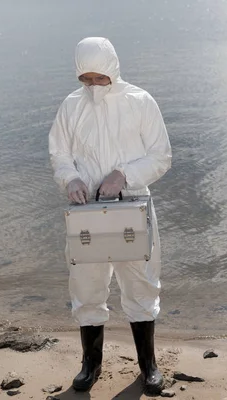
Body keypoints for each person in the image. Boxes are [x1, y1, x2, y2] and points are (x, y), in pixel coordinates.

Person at [48, 37, 172, 394]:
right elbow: (60, 154)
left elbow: (161, 156)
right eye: (85, 79)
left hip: (132, 208)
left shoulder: (140, 102)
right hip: (86, 212)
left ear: (113, 70)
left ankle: (148, 365)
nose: (93, 87)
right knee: (86, 287)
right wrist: (70, 178)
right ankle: (91, 364)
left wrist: (124, 175)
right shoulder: (71, 106)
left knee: (141, 285)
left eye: (99, 78)